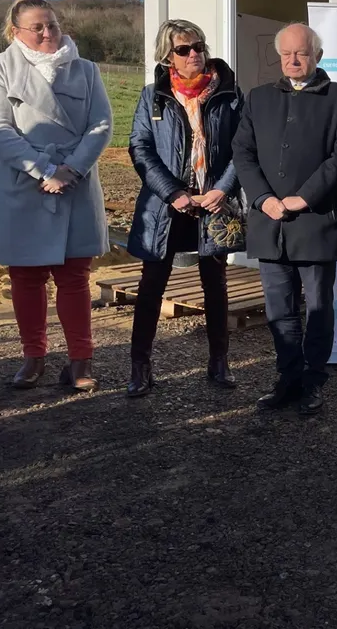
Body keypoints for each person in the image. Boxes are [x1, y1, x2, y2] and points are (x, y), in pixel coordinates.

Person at [0, 0, 112, 391]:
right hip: (22, 183)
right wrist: (43, 168)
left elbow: (101, 125)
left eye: (51, 24)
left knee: (74, 276)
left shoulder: (86, 70)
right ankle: (33, 357)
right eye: (37, 27)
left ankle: (81, 361)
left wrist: (70, 170)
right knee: (26, 275)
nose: (48, 33)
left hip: (74, 181)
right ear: (14, 31)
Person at [233, 22, 337, 416]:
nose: (292, 60)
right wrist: (262, 198)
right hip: (270, 222)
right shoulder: (258, 98)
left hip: (315, 221)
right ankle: (287, 378)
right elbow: (243, 152)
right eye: (286, 53)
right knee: (278, 309)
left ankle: (313, 381)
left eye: (301, 53)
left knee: (319, 307)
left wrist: (303, 197)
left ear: (317, 56)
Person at [125, 20, 243, 397]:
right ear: (167, 56)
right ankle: (140, 367)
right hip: (166, 204)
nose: (194, 54)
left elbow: (242, 148)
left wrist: (222, 190)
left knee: (215, 284)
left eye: (198, 46)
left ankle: (219, 362)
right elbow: (140, 149)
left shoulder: (229, 94)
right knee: (151, 286)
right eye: (183, 49)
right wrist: (173, 192)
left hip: (214, 203)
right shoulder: (152, 97)